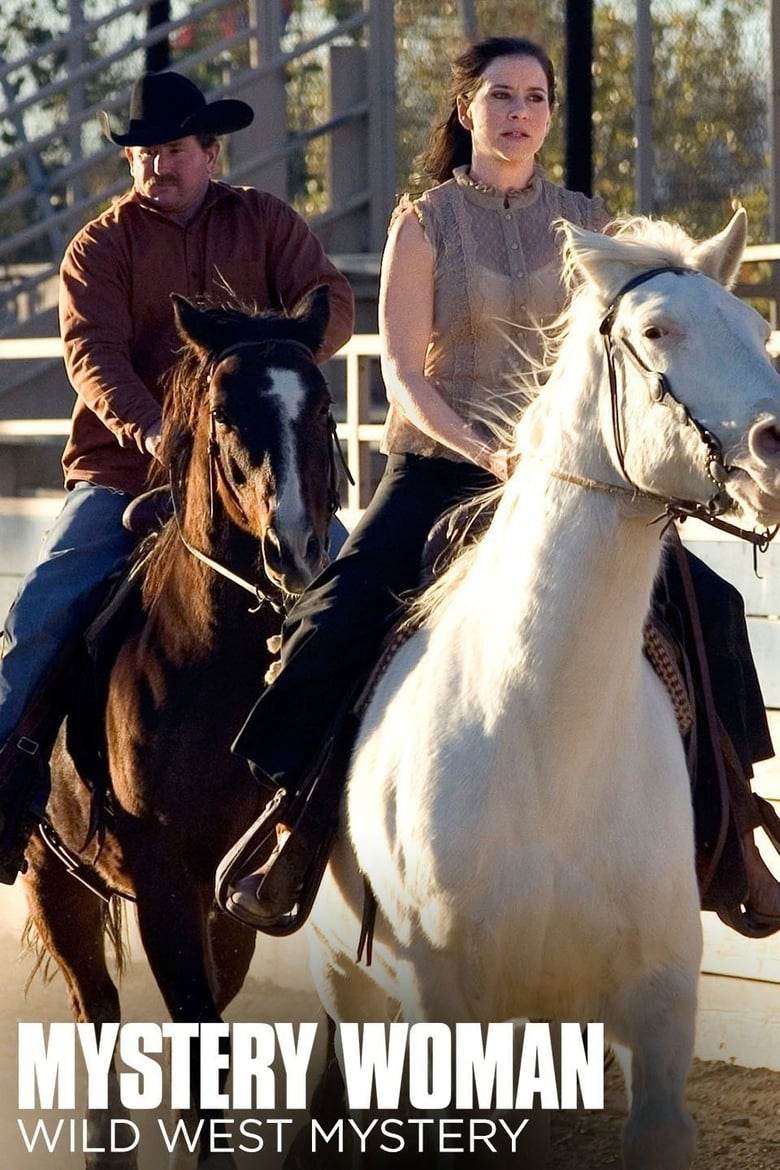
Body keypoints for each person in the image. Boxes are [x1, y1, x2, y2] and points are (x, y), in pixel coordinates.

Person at [222, 35, 780, 935]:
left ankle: (736, 827)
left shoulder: (590, 222)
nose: (519, 113)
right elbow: (405, 372)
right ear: (465, 109)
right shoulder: (427, 220)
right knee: (340, 609)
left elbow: (640, 351)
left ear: (550, 114)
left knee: (707, 604)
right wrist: (487, 452)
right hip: (444, 465)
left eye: (535, 98)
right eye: (501, 96)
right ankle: (294, 825)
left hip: (573, 479)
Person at [0, 69, 354, 884]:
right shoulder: (102, 245)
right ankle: (12, 784)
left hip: (251, 476)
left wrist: (285, 354)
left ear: (211, 152)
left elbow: (328, 296)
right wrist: (155, 427)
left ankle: (363, 773)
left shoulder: (264, 220)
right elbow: (92, 354)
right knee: (44, 603)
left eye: (173, 151)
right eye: (144, 154)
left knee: (350, 590)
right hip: (127, 470)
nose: (157, 166)